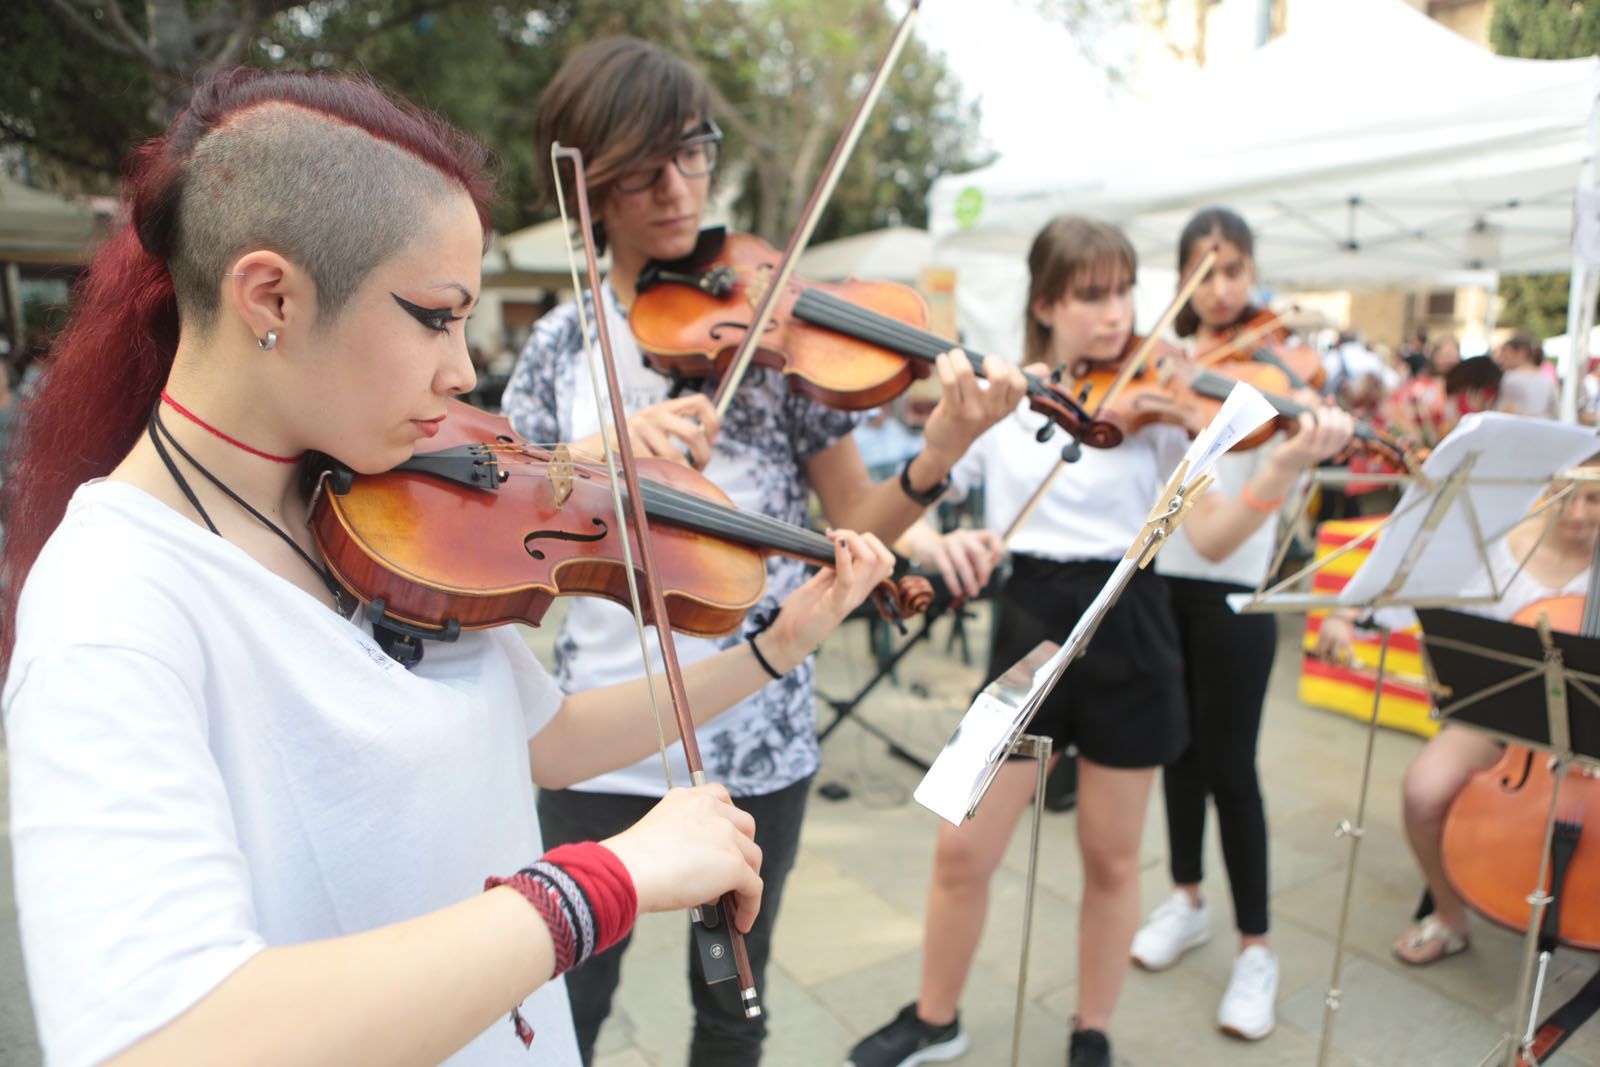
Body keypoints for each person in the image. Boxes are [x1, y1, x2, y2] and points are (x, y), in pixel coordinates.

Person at [0, 67, 902, 1067]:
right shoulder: (112, 607)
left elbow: (545, 741)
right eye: (435, 315)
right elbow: (163, 1039)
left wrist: (778, 646)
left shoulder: (383, 510)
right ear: (270, 295)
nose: (464, 370)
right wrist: (601, 881)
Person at [499, 37, 1025, 1067]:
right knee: (570, 996)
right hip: (596, 734)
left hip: (756, 733)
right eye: (641, 168)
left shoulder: (776, 342)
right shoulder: (565, 341)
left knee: (732, 999)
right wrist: (595, 453)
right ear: (589, 185)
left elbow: (855, 528)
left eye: (690, 154)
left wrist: (940, 452)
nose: (676, 188)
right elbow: (507, 506)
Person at [845, 215, 1354, 1067]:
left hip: (1132, 628)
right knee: (958, 845)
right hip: (1025, 634)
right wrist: (937, 547)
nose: (1117, 313)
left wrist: (1278, 468)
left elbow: (1220, 536)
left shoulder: (1163, 414)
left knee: (1113, 862)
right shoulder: (1005, 403)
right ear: (1045, 303)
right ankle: (936, 1017)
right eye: (1091, 295)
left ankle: (1093, 1028)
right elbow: (916, 509)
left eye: (1124, 291)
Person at [1317, 471, 1600, 966]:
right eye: (1563, 495)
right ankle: (1450, 916)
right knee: (1424, 790)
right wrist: (1345, 618)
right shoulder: (1499, 547)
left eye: (1595, 499)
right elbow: (1404, 595)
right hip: (1506, 726)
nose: (1577, 514)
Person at [1494, 331, 1558, 418]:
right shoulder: (1548, 379)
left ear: (1522, 352)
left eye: (1506, 354)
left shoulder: (1509, 377)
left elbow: (1503, 410)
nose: (1502, 359)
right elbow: (1555, 413)